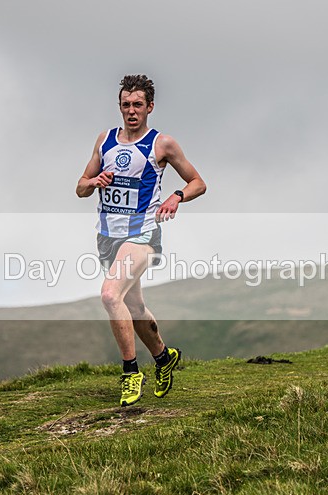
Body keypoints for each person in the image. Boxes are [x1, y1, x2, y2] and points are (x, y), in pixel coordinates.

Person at [76, 74, 207, 406]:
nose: (131, 111)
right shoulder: (105, 140)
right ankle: (164, 357)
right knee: (132, 307)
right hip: (108, 237)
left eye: (137, 105)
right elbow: (80, 187)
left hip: (143, 234)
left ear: (150, 107)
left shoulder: (162, 144)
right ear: (119, 106)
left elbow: (198, 182)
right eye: (126, 105)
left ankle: (131, 372)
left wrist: (177, 196)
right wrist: (94, 181)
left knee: (109, 295)